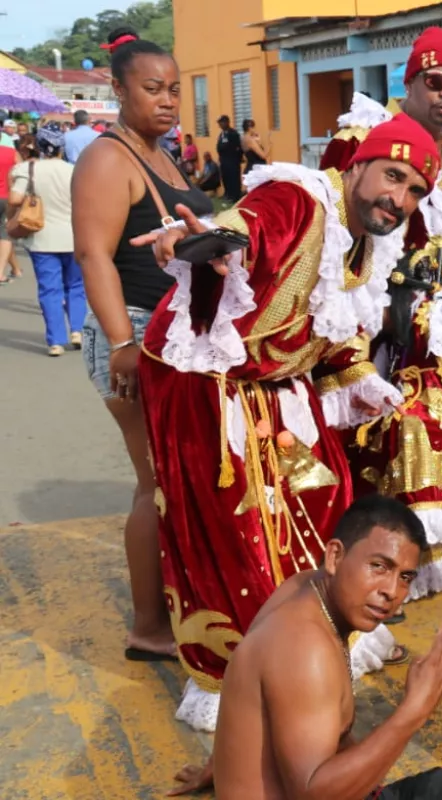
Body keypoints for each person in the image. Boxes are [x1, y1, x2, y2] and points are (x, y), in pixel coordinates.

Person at [130, 113, 439, 731]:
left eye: (414, 191)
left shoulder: (368, 247)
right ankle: (237, 674)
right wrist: (197, 239)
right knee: (233, 525)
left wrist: (362, 383)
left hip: (272, 383)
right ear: (356, 167)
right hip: (202, 377)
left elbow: (331, 327)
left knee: (330, 497)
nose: (398, 199)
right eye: (393, 176)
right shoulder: (300, 198)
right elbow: (248, 224)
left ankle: (312, 638)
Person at [320, 28, 442, 607]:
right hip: (366, 320)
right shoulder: (363, 135)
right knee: (373, 443)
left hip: (439, 328)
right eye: (435, 82)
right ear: (408, 80)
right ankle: (362, 576)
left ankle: (412, 572)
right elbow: (333, 224)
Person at [167, 496, 442, 799]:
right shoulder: (306, 649)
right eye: (379, 566)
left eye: (405, 577)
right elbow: (312, 795)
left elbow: (250, 702)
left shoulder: (298, 587)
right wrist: (412, 712)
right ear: (335, 556)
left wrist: (226, 763)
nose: (391, 591)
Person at [71, 27, 214, 664]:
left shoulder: (162, 155)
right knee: (155, 481)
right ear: (118, 88)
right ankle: (147, 625)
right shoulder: (108, 158)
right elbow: (92, 255)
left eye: (175, 90)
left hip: (171, 334)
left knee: (175, 479)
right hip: (133, 332)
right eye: (152, 89)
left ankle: (176, 609)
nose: (167, 101)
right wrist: (123, 342)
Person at [11, 129, 83, 356]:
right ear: (61, 147)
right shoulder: (74, 170)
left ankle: (55, 341)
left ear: (40, 147)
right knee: (76, 286)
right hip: (74, 237)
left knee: (49, 289)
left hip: (41, 237)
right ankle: (78, 330)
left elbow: (14, 198)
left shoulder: (28, 169)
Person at [0, 124, 19, 286]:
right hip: (7, 196)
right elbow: (22, 172)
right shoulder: (11, 153)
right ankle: (0, 273)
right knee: (5, 234)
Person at [215, 114, 243, 201]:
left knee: (233, 178)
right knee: (225, 177)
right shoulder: (222, 134)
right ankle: (227, 193)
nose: (220, 125)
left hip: (232, 160)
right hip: (224, 160)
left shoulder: (233, 133)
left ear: (227, 122)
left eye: (221, 122)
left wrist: (237, 159)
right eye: (219, 123)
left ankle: (234, 196)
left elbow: (238, 148)